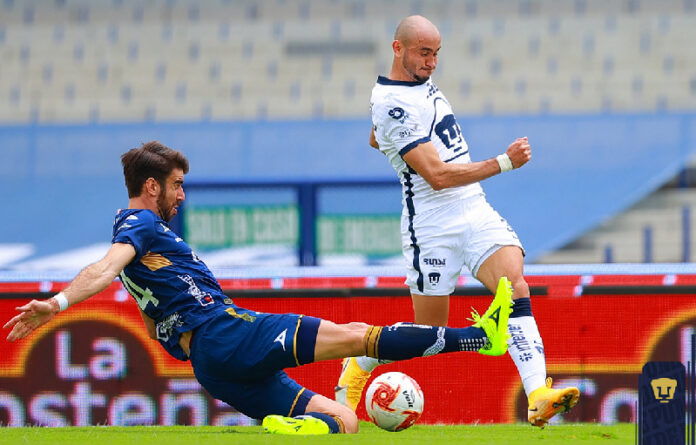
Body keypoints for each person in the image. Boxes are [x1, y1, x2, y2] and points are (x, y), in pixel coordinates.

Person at [3, 141, 514, 435]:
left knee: (345, 421)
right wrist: (58, 302)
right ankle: (480, 340)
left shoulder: (141, 234)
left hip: (212, 367)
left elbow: (126, 276)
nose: (181, 195)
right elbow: (106, 267)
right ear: (153, 187)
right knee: (358, 335)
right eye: (177, 185)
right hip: (225, 334)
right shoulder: (140, 226)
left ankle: (297, 430)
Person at [335, 15, 580, 428]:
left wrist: (391, 143)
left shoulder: (410, 88)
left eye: (436, 54)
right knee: (429, 333)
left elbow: (377, 137)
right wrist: (504, 162)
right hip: (431, 225)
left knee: (513, 282)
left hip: (473, 209)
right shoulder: (391, 101)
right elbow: (438, 176)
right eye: (423, 53)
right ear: (399, 49)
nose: (431, 62)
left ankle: (537, 394)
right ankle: (359, 361)